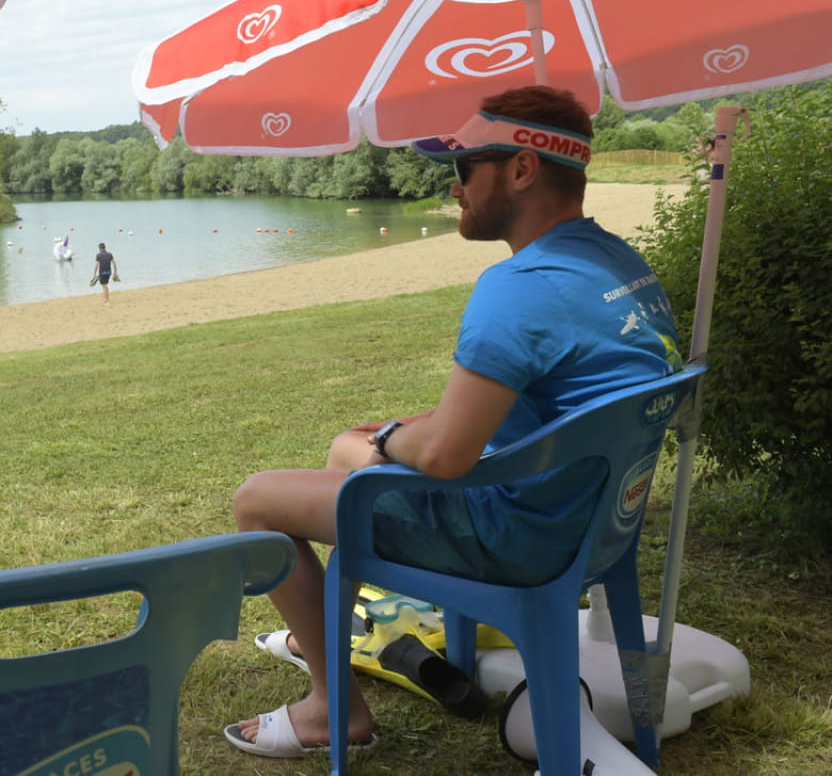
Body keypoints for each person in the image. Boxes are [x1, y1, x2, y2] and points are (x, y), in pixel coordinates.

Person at [225, 85, 683, 758]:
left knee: (259, 501)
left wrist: (384, 440)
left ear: (522, 168)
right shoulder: (622, 264)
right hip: (599, 523)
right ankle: (322, 629)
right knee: (350, 456)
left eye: (466, 165)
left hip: (520, 539)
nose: (454, 184)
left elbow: (444, 458)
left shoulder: (519, 286)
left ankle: (334, 709)